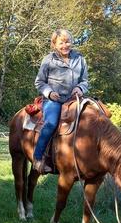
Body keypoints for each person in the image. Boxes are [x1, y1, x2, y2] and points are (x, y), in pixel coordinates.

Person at [33, 28, 89, 174]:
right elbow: (39, 82)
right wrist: (50, 93)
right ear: (54, 44)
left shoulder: (80, 59)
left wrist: (80, 88)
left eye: (67, 41)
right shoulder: (48, 60)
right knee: (51, 123)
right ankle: (38, 158)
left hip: (74, 99)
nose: (65, 45)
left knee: (91, 120)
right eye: (61, 43)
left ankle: (86, 158)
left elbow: (84, 81)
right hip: (54, 100)